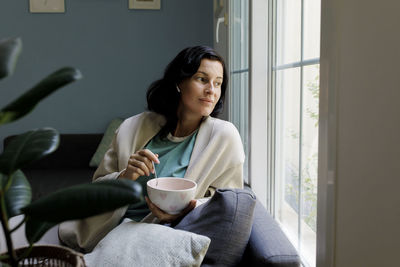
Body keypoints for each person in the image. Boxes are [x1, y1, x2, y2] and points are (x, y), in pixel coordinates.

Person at [58, 45, 245, 252]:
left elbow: (229, 204)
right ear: (179, 83)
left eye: (218, 83)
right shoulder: (132, 127)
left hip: (160, 237)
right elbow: (96, 189)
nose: (211, 90)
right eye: (202, 79)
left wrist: (186, 211)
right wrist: (125, 177)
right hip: (108, 231)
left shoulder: (223, 137)